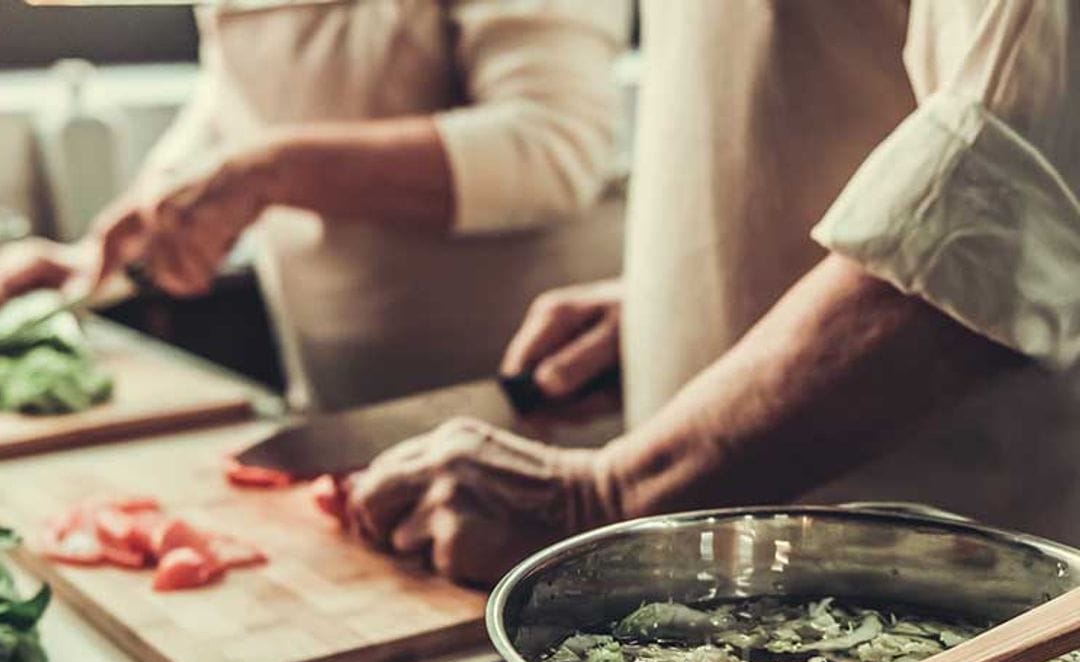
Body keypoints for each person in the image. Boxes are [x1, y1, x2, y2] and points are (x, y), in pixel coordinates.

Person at [341, 0, 1080, 585]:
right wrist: (680, 300)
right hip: (739, 581)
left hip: (951, 603)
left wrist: (604, 496)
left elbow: (1012, 193)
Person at [0, 0, 628, 409]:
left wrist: (273, 169)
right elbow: (235, 103)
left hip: (540, 396)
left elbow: (553, 147)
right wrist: (113, 249)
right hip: (338, 401)